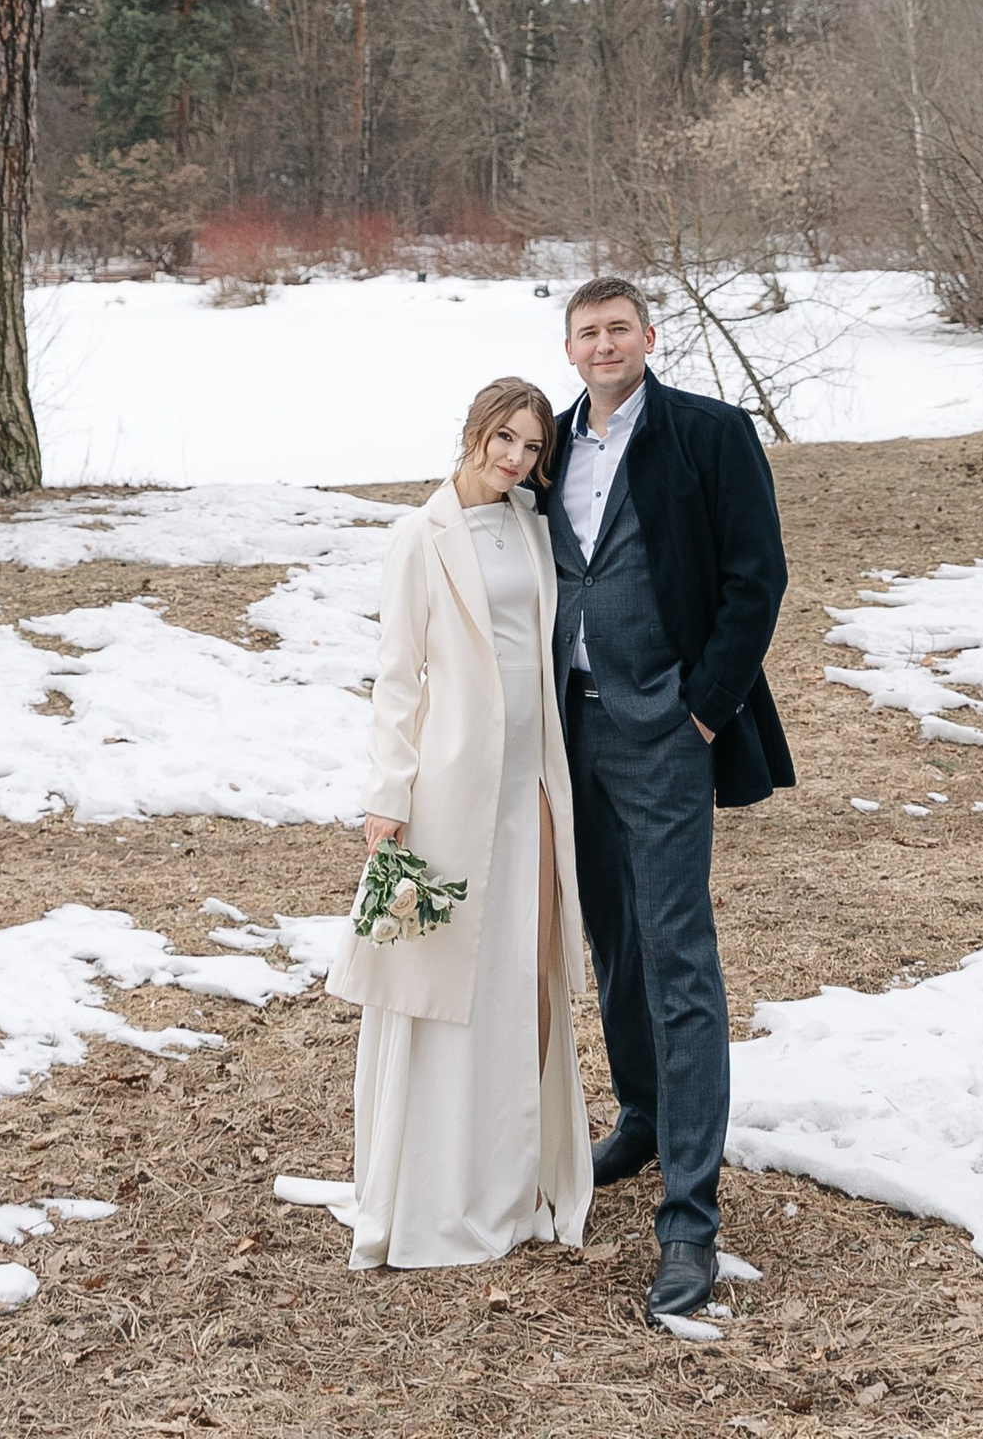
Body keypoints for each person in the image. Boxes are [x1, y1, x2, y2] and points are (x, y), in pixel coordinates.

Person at [544, 275, 794, 1332]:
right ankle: (641, 1116)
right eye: (585, 332)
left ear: (649, 337)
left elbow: (757, 576)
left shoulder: (707, 432)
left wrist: (702, 712)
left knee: (679, 955)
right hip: (569, 728)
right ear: (569, 348)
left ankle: (689, 1219)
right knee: (613, 942)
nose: (603, 345)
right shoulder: (545, 445)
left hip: (664, 729)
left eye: (618, 329)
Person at [328, 376, 593, 1270]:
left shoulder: (534, 525)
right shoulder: (419, 536)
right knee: (442, 981)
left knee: (525, 967)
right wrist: (387, 797)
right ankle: (432, 1188)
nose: (516, 459)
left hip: (534, 782)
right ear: (475, 432)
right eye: (504, 439)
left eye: (533, 448)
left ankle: (513, 1174)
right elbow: (399, 677)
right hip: (448, 785)